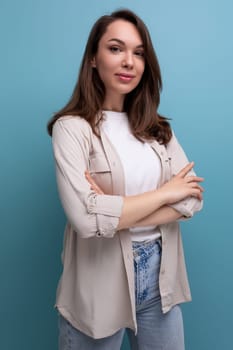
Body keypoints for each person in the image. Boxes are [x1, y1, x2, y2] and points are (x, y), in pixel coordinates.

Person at [47, 8, 204, 350]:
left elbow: (191, 199)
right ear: (93, 58)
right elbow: (86, 220)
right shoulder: (71, 129)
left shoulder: (158, 129)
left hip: (161, 279)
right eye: (115, 48)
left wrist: (115, 212)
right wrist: (165, 194)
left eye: (138, 52)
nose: (128, 61)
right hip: (97, 284)